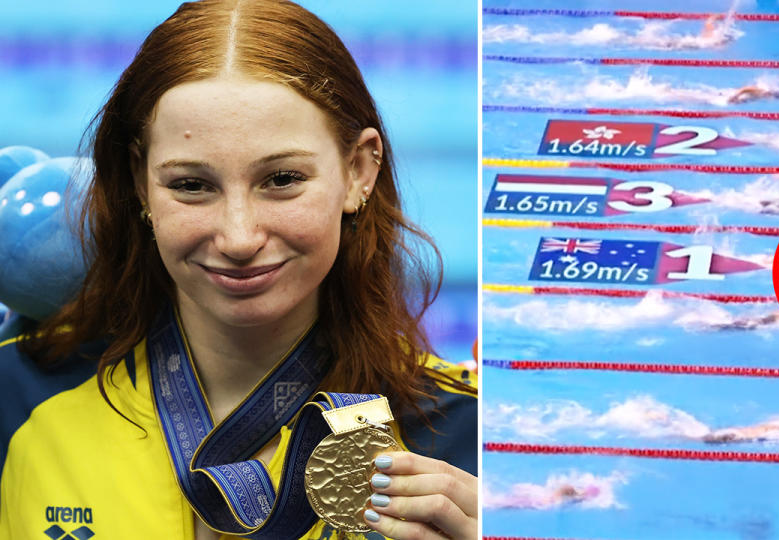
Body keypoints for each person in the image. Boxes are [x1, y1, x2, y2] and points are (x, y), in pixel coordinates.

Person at [0, 2, 477, 540]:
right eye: (191, 185)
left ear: (358, 171)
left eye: (281, 179)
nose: (239, 238)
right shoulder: (16, 393)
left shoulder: (469, 437)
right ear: (139, 182)